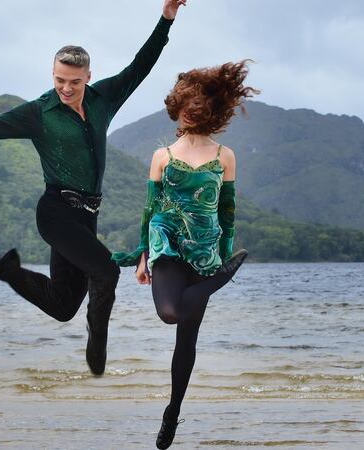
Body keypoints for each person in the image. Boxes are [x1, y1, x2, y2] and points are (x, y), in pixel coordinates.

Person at [0, 0, 188, 376]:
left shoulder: (104, 98)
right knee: (106, 272)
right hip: (55, 213)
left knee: (62, 306)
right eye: (59, 80)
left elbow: (141, 65)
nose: (66, 88)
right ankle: (98, 351)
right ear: (52, 74)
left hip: (86, 218)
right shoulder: (39, 113)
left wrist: (166, 17)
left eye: (74, 81)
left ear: (89, 76)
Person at [112, 60, 257, 449]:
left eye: (199, 106)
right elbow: (149, 209)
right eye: (187, 105)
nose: (192, 112)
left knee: (186, 341)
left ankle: (172, 412)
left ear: (210, 110)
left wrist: (223, 251)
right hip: (167, 242)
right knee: (169, 314)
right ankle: (224, 275)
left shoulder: (225, 155)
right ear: (179, 107)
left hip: (205, 246)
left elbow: (226, 211)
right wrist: (143, 255)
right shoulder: (162, 156)